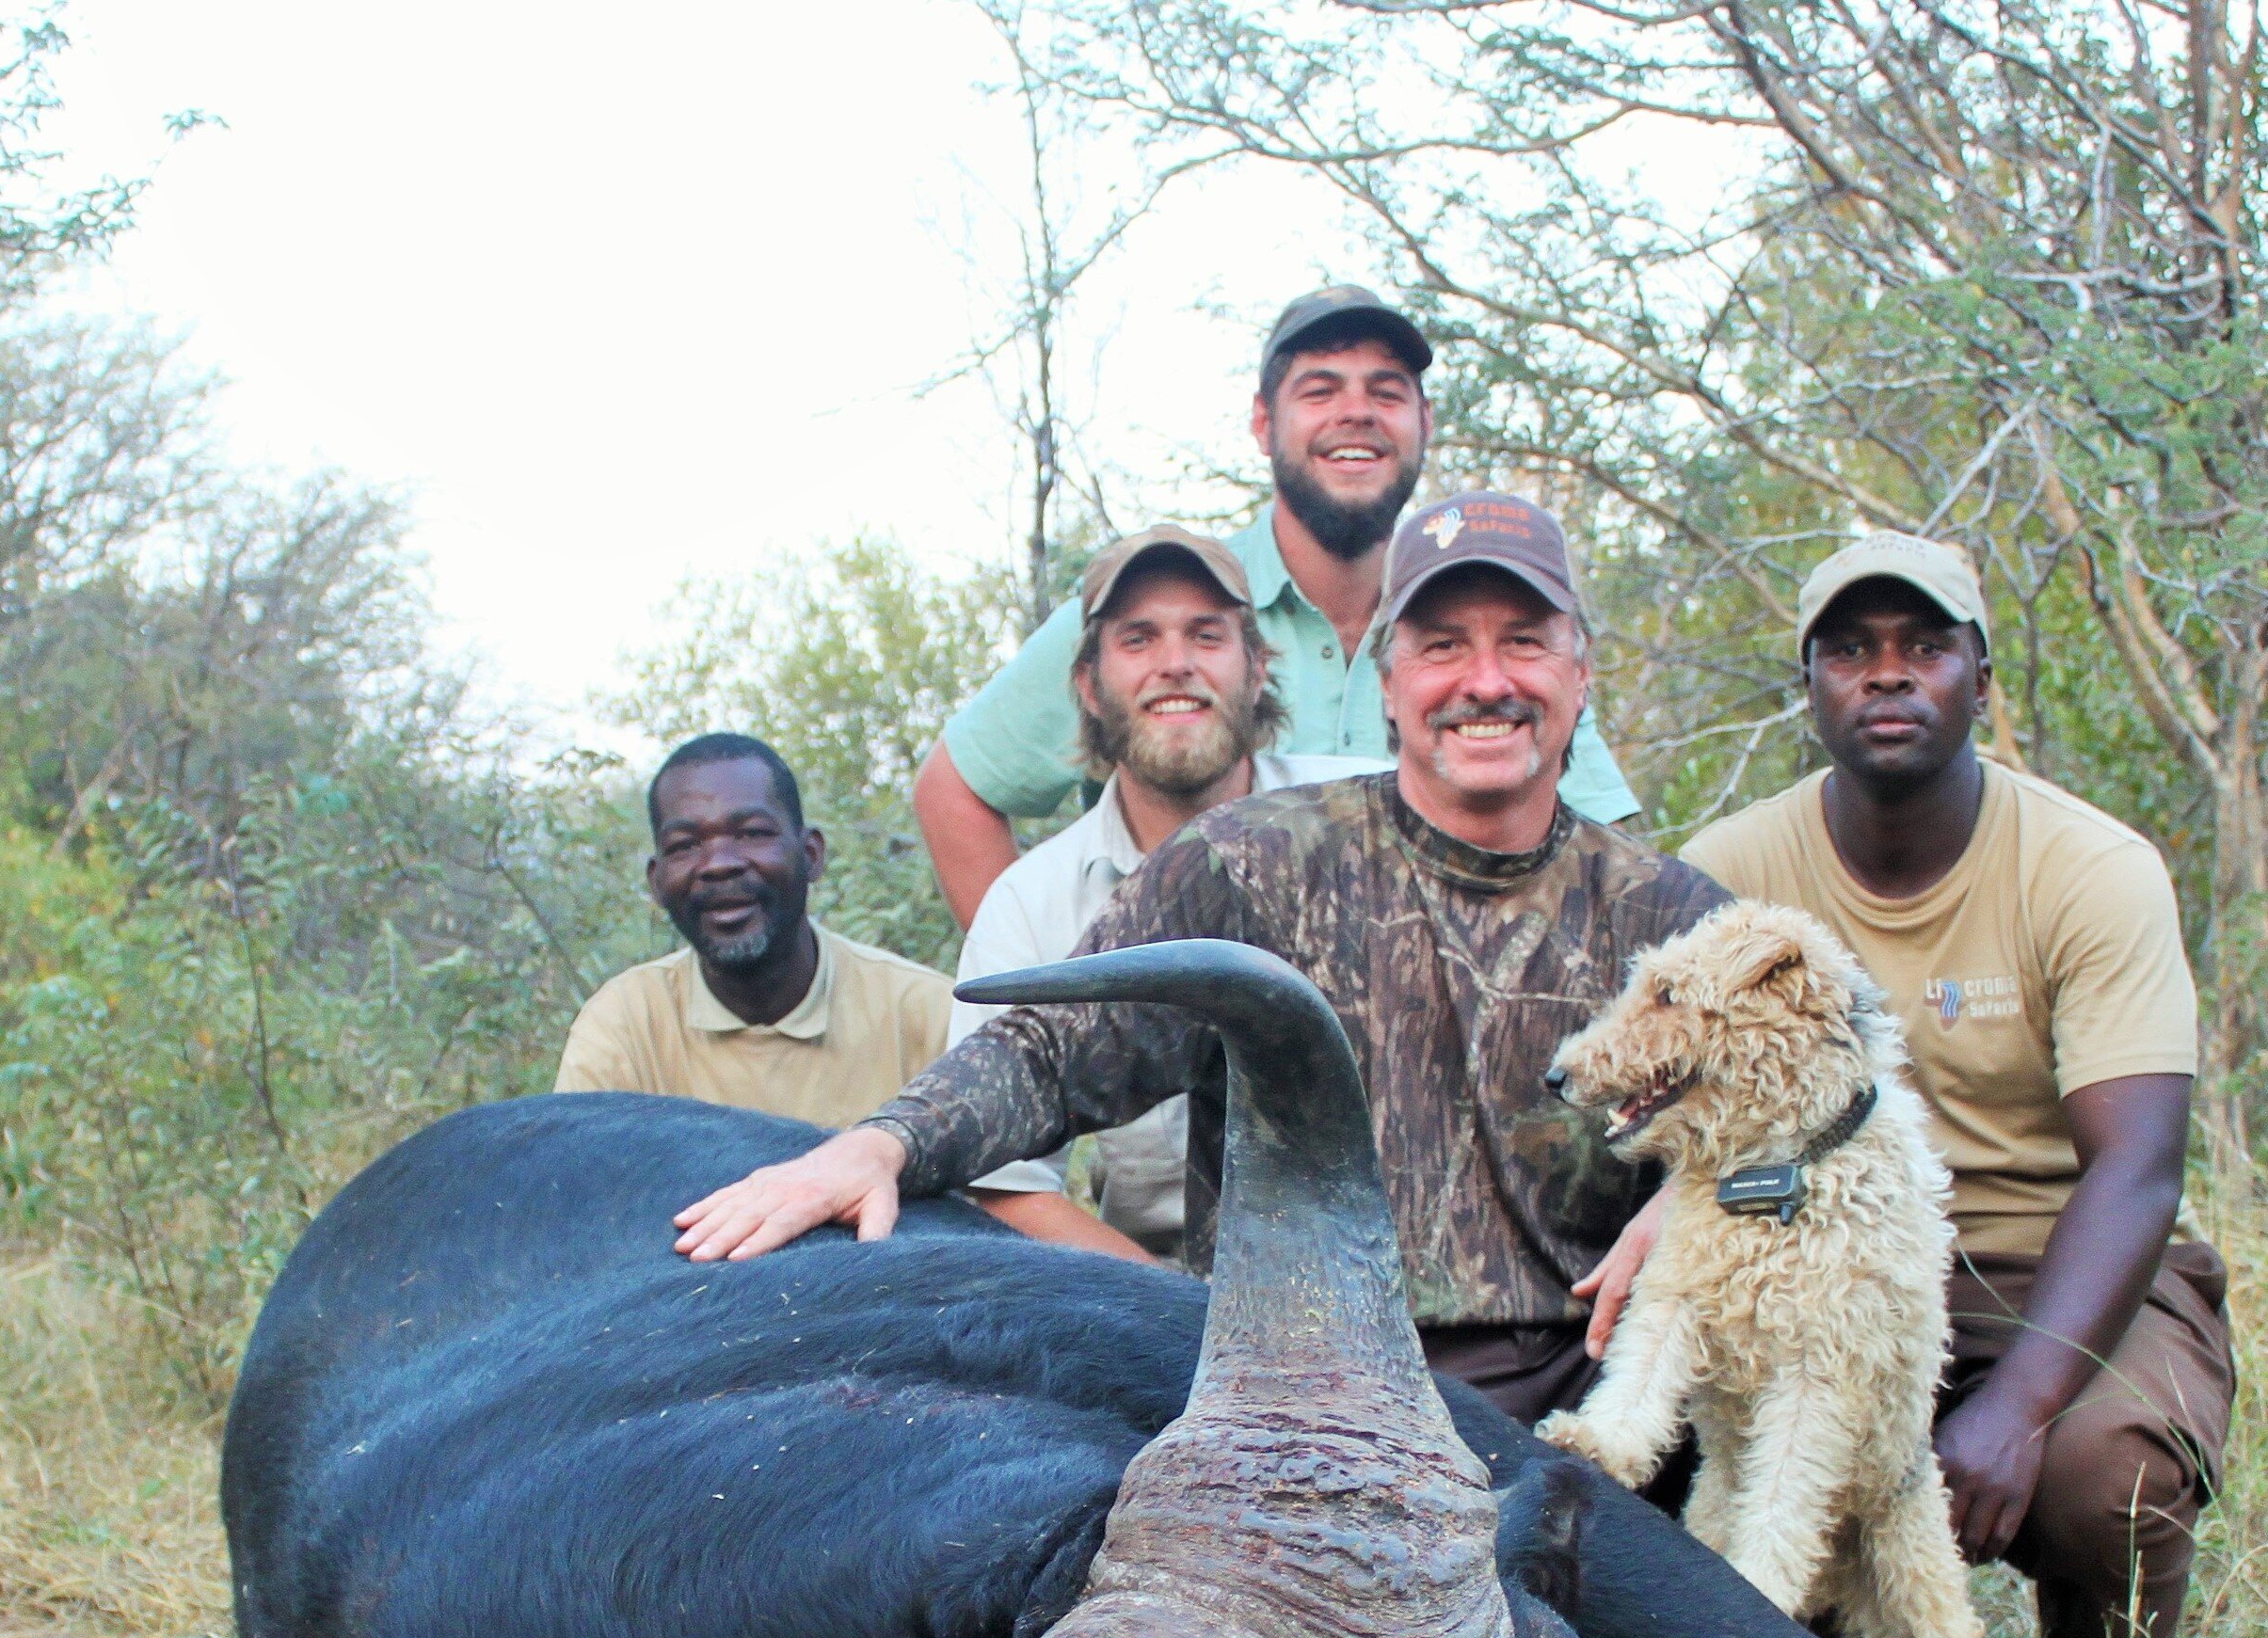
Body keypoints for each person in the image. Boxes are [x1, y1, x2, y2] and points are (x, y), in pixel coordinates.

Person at [674, 492, 1728, 1427]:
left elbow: (1845, 1103)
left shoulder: (1672, 917)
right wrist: (882, 1145)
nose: (1486, 681)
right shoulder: (1251, 863)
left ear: (1580, 676)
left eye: (1526, 643)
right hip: (1298, 1404)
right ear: (1395, 679)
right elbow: (1051, 1054)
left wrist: (1711, 1190)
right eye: (1445, 645)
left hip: (1585, 1416)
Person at [1639, 532, 2235, 1638]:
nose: (1889, 673)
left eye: (1926, 647)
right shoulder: (1723, 873)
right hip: (1809, 1259)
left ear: (1982, 680)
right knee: (1682, 1451)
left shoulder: (2091, 867)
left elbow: (2138, 1167)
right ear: (1808, 687)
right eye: (1851, 650)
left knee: (2095, 1473)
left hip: (2044, 1258)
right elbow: (1675, 1131)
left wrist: (2017, 1409)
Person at [910, 285, 1641, 926]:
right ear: (1262, 424)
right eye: (1319, 390)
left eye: (1385, 392)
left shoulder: (1492, 642)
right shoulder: (1152, 618)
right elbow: (956, 789)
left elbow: (1604, 848)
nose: (1355, 413)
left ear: (1423, 420)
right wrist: (1067, 1007)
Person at [953, 523, 1375, 1256]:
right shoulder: (1032, 906)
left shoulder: (1366, 816)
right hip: (1163, 1297)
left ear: (1257, 668)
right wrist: (1181, 1317)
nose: (1175, 665)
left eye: (1206, 636)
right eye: (1139, 639)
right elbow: (1003, 1186)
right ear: (1089, 683)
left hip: (1399, 1284)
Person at [555, 732, 953, 1128]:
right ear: (657, 881)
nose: (718, 864)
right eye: (685, 845)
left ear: (811, 855)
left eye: (752, 833)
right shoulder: (624, 1027)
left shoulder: (927, 1016)